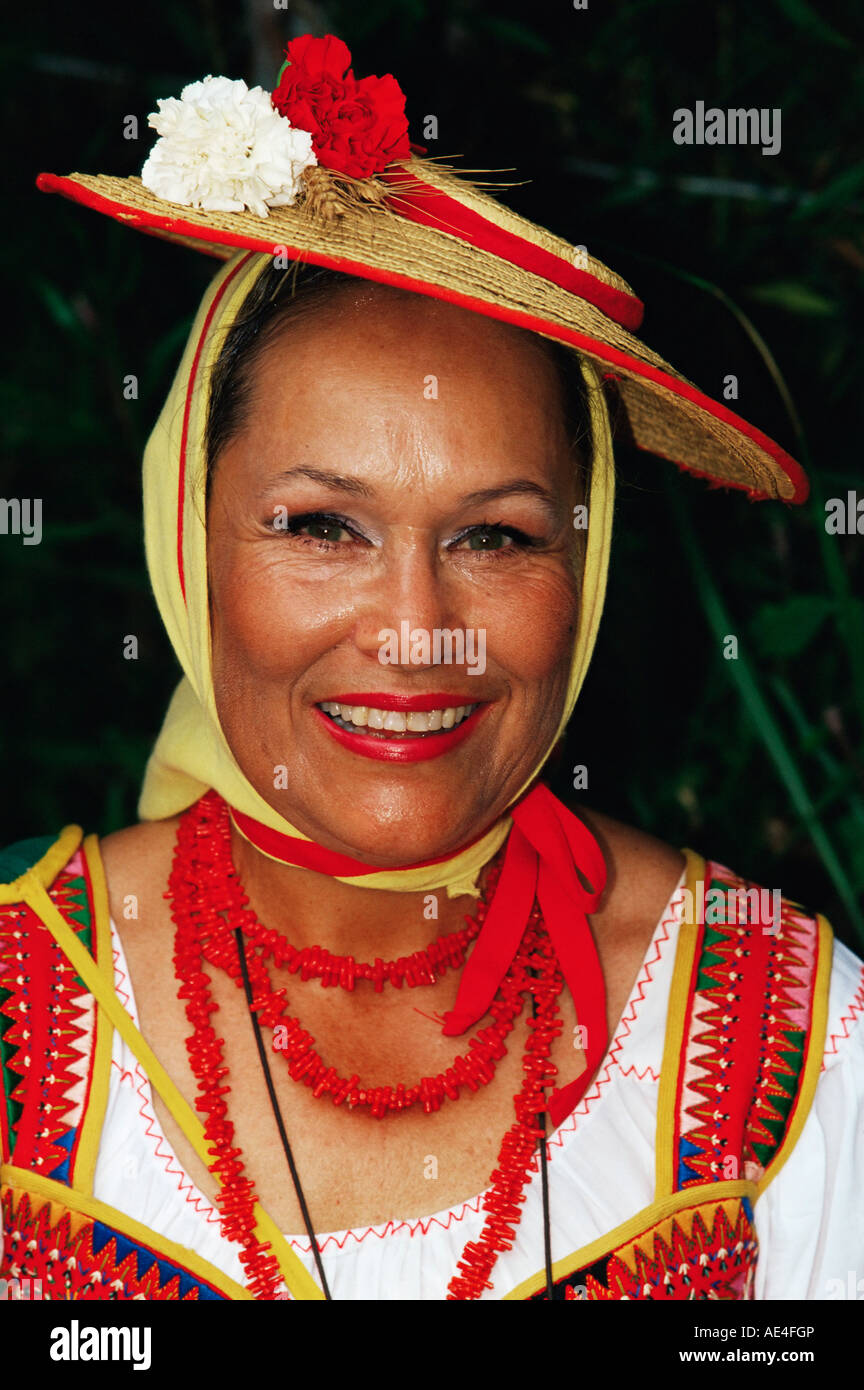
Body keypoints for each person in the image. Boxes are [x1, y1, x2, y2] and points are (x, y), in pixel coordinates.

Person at [2, 34, 861, 1301]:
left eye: (496, 536)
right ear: (189, 538)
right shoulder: (24, 1011)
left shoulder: (791, 1041)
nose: (415, 629)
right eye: (320, 526)